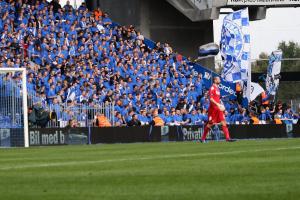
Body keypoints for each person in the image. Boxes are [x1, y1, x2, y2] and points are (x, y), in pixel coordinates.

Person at [201, 76, 235, 142]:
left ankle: (228, 138)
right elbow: (211, 99)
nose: (220, 80)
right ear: (215, 80)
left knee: (223, 122)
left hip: (218, 108)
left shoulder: (218, 88)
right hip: (213, 109)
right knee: (210, 124)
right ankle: (203, 138)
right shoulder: (212, 88)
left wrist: (221, 105)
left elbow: (217, 99)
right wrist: (218, 104)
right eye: (218, 79)